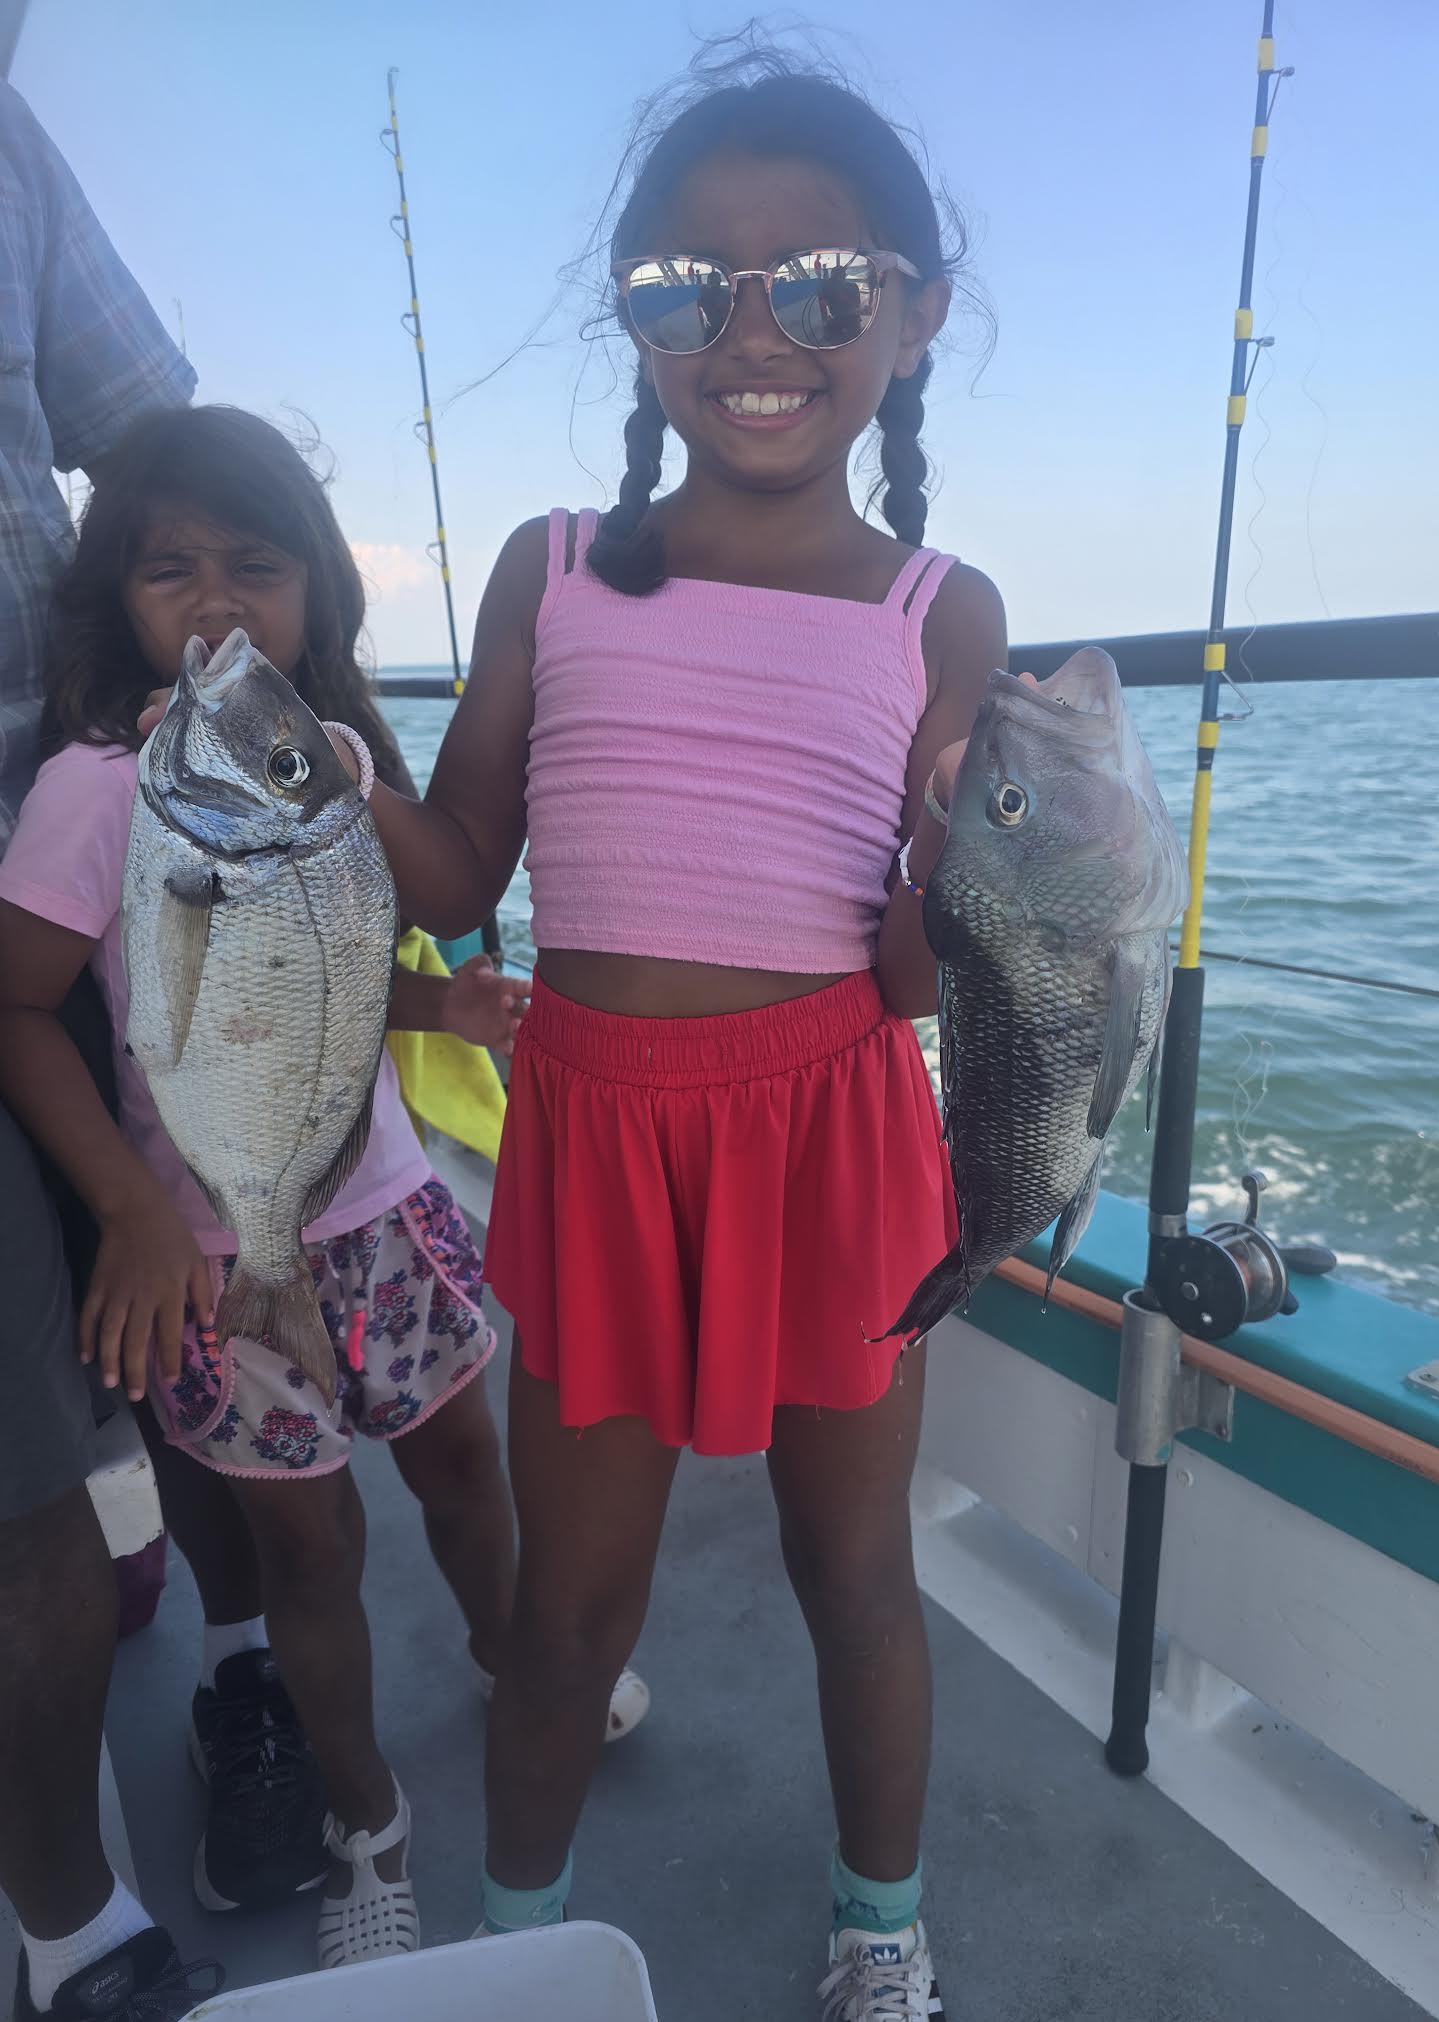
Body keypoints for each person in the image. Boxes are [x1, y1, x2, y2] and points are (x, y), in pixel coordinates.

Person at [327, 50, 1013, 2020]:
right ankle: (512, 1944)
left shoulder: (943, 610)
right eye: (687, 289)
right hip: (601, 1132)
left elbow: (908, 979)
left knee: (853, 1574)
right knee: (565, 1606)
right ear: (631, 320)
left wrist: (967, 872)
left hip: (837, 1132)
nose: (754, 334)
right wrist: (334, 766)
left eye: (821, 285)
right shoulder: (550, 566)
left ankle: (879, 1928)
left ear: (912, 317)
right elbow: (463, 867)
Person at [0, 403, 647, 1976]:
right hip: (223, 1256)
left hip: (392, 1215)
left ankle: (509, 1652)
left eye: (257, 565)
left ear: (317, 591)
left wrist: (438, 997)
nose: (215, 602)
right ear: (113, 594)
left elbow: (349, 951)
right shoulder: (95, 790)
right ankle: (367, 1816)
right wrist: (133, 1208)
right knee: (308, 1551)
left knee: (469, 1470)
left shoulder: (332, 760)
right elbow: (17, 1003)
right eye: (169, 570)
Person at [0, 78, 226, 2022]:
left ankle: (215, 1623)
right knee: (31, 1462)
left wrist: (220, 647)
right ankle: (66, 1907)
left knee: (141, 1315)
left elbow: (145, 423)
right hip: (50, 896)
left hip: (62, 824)